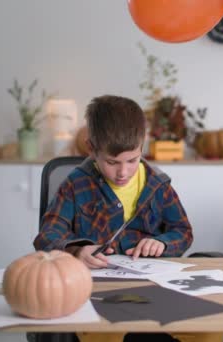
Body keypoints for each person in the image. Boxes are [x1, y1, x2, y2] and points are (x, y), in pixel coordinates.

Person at [33, 95, 196, 342]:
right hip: (96, 293)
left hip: (151, 291)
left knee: (201, 327)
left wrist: (163, 243)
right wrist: (77, 251)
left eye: (132, 160)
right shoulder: (76, 185)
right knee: (105, 333)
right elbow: (47, 235)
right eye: (112, 162)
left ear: (143, 145)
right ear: (91, 148)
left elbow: (183, 232)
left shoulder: (157, 184)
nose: (123, 172)